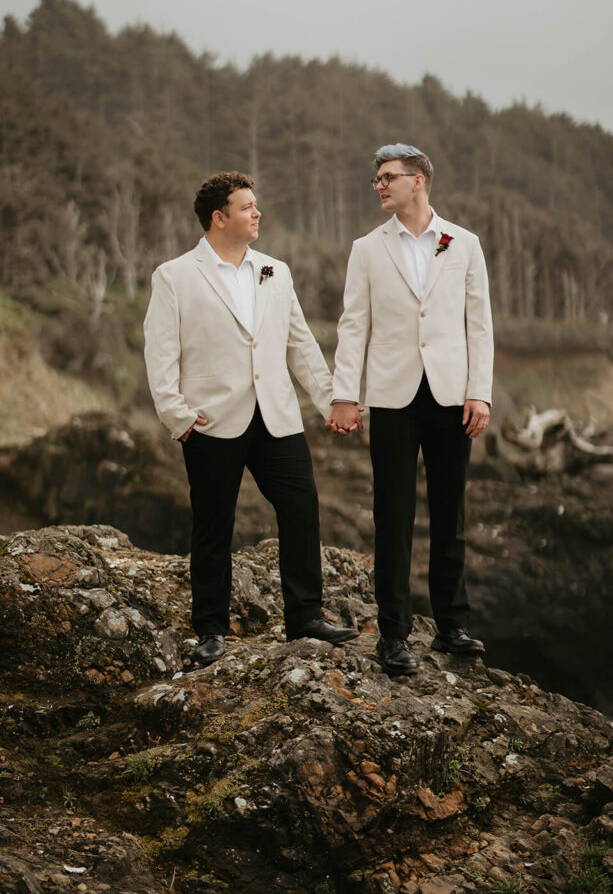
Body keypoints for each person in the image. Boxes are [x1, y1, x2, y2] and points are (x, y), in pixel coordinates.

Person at [144, 171, 358, 666]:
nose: (257, 213)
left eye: (256, 205)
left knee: (302, 511)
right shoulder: (173, 276)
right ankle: (211, 631)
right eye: (246, 207)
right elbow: (160, 353)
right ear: (219, 218)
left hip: (277, 417)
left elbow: (299, 343)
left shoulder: (275, 271)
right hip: (210, 420)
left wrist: (332, 402)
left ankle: (305, 617)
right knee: (213, 525)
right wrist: (177, 416)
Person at [327, 144, 493, 676]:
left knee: (451, 513)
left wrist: (480, 391)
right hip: (392, 398)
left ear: (418, 181)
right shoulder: (367, 249)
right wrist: (344, 395)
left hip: (451, 398)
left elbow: (479, 325)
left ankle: (452, 627)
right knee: (392, 516)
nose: (379, 185)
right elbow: (354, 325)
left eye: (388, 177)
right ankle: (394, 636)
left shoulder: (463, 244)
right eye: (376, 178)